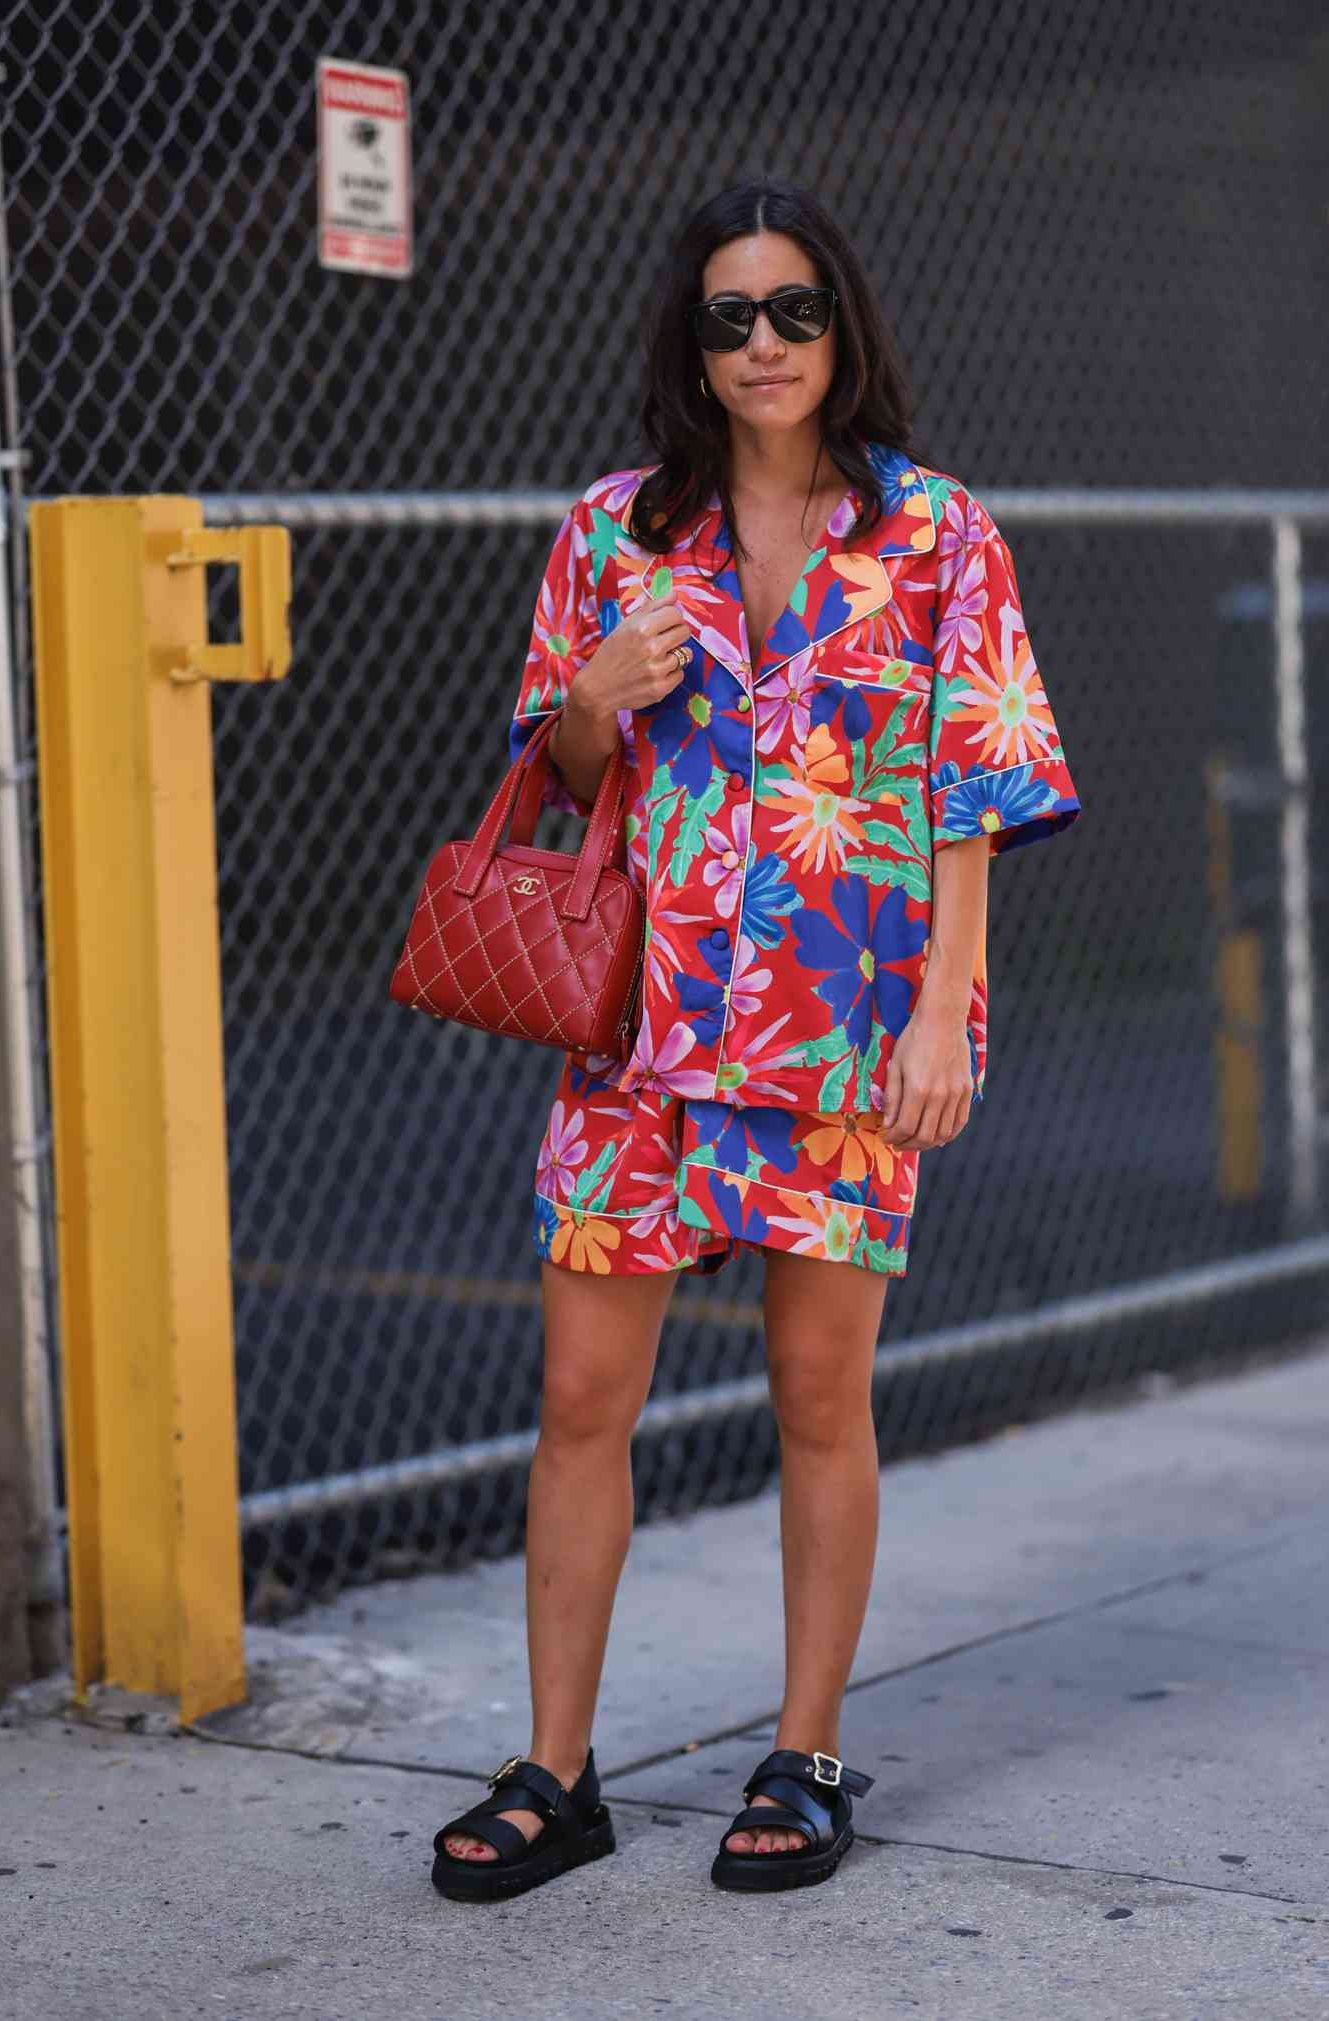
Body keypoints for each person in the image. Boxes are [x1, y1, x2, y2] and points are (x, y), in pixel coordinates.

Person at [430, 179, 1082, 1902]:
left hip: (853, 1029)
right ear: (690, 345)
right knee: (582, 1396)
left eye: (794, 310)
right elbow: (557, 781)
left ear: (841, 324)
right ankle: (557, 1771)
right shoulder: (613, 533)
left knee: (818, 1394)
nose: (767, 344)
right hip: (643, 1030)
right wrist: (599, 692)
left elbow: (973, 788)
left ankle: (803, 1756)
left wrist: (948, 1007)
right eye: (731, 317)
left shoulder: (937, 529)